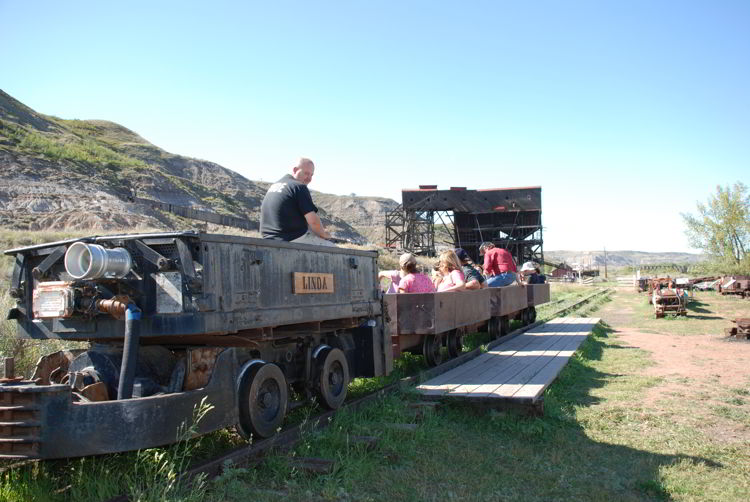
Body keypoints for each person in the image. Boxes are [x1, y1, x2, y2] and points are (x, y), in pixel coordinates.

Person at [259, 158, 334, 246]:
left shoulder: (275, 186)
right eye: (306, 173)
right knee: (334, 250)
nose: (309, 178)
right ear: (295, 170)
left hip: (267, 238)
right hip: (290, 238)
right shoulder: (298, 186)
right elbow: (313, 221)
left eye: (311, 175)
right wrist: (325, 235)